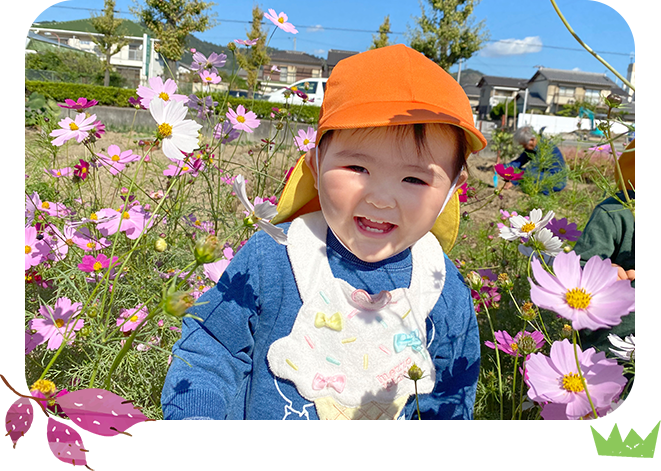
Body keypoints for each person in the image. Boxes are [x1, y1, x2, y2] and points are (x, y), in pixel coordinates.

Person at [161, 44, 487, 421]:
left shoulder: (442, 288)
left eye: (414, 178)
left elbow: (449, 403)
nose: (381, 199)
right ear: (315, 163)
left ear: (452, 189)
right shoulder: (277, 254)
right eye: (357, 168)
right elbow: (212, 348)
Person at [574, 137, 636, 408]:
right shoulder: (614, 212)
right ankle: (617, 447)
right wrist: (603, 271)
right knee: (620, 394)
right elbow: (581, 265)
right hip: (619, 324)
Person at [500, 126, 566, 194]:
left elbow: (531, 169)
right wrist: (502, 168)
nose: (524, 147)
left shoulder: (544, 149)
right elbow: (519, 161)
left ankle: (543, 195)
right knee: (520, 172)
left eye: (525, 145)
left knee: (526, 174)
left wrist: (513, 182)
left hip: (555, 180)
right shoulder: (533, 147)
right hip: (542, 174)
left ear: (532, 140)